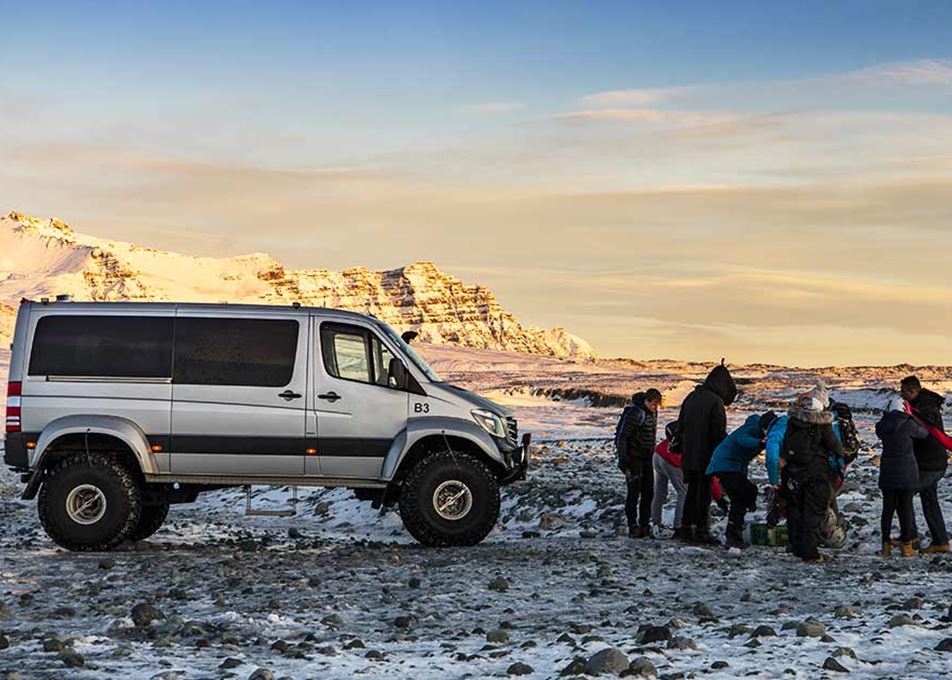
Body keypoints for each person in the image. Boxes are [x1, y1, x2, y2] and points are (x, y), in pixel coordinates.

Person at [780, 385, 845, 564]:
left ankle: (797, 547)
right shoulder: (822, 424)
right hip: (816, 473)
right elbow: (836, 447)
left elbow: (784, 445)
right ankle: (810, 553)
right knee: (813, 513)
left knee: (795, 510)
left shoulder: (793, 421)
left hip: (792, 473)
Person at [676, 360, 737, 544]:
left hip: (689, 455)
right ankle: (701, 530)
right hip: (705, 457)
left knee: (692, 491)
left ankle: (687, 528)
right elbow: (717, 432)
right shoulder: (715, 402)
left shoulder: (691, 397)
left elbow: (680, 425)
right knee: (703, 495)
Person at [706, 411, 779, 548]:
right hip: (725, 465)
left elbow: (743, 460)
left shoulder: (760, 433)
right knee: (743, 495)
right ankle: (733, 535)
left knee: (743, 495)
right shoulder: (752, 429)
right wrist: (760, 442)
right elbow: (743, 440)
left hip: (731, 467)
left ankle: (735, 532)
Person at [652, 422, 728, 539]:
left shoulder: (699, 434)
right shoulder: (710, 449)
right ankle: (678, 527)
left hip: (658, 454)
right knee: (684, 493)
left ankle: (656, 524)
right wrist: (719, 498)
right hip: (673, 461)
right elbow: (710, 477)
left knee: (660, 492)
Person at [900, 376, 950, 553]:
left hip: (931, 463)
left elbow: (927, 431)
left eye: (903, 391)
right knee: (929, 501)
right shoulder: (925, 405)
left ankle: (910, 539)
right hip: (932, 462)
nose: (901, 394)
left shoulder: (924, 408)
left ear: (912, 391)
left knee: (904, 496)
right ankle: (940, 541)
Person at [876, 395, 929, 557]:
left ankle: (886, 544)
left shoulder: (882, 426)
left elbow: (880, 430)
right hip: (906, 471)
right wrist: (911, 415)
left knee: (887, 509)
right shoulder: (908, 423)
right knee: (905, 508)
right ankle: (906, 545)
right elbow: (924, 433)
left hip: (888, 470)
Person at [615, 389, 662, 538]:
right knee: (634, 493)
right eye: (653, 404)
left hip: (647, 458)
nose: (655, 407)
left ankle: (644, 525)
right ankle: (632, 525)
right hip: (633, 459)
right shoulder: (636, 413)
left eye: (657, 405)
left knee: (648, 493)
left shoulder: (652, 412)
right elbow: (623, 437)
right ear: (647, 401)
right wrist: (624, 459)